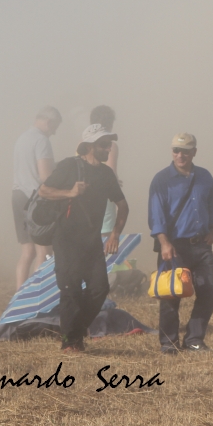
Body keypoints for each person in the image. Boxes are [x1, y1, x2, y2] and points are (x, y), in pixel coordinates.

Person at [38, 124, 129, 352]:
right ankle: (71, 342)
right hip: (66, 240)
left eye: (108, 144)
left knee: (99, 288)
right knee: (71, 290)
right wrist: (70, 192)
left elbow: (123, 205)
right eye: (103, 144)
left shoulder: (106, 174)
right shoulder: (69, 166)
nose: (108, 148)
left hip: (92, 242)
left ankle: (75, 333)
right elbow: (44, 191)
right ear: (89, 146)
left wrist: (115, 234)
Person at [148, 132, 213, 354]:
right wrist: (164, 243)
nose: (180, 155)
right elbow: (156, 214)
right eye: (176, 151)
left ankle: (194, 339)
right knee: (171, 295)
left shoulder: (205, 176)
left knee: (208, 292)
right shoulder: (161, 180)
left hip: (201, 246)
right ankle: (168, 343)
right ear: (172, 152)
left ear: (194, 152)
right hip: (174, 246)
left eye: (185, 151)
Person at [12, 106, 62, 289]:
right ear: (48, 122)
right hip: (34, 200)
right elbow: (45, 176)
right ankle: (36, 294)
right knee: (44, 249)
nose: (54, 132)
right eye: (55, 127)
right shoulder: (42, 141)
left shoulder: (22, 138)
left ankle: (18, 298)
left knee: (27, 251)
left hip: (17, 195)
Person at [90, 105, 121, 238]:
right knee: (106, 240)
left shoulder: (83, 143)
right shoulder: (111, 145)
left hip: (85, 197)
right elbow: (110, 172)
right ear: (109, 123)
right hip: (104, 198)